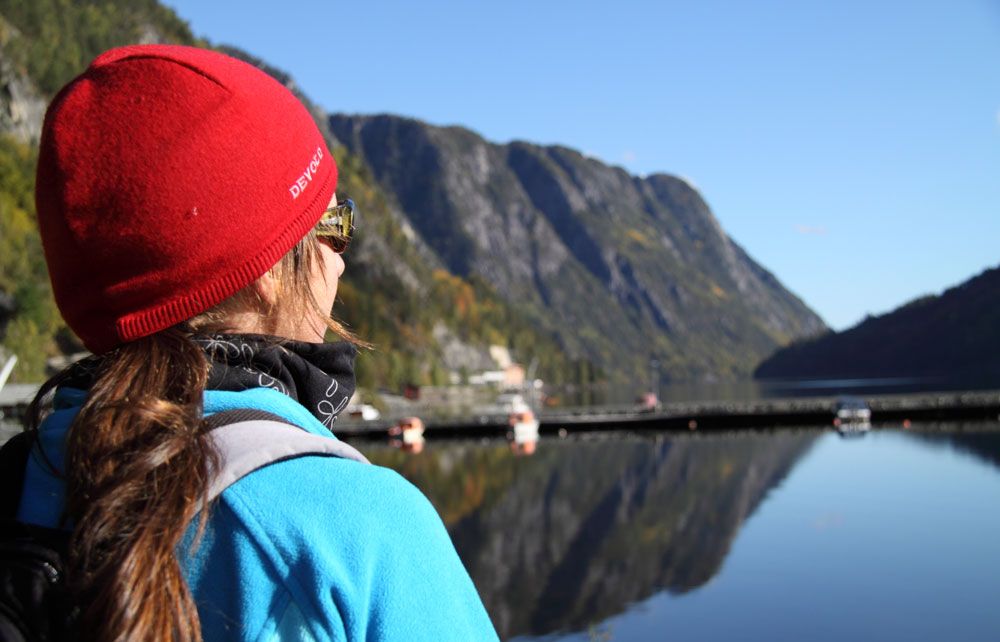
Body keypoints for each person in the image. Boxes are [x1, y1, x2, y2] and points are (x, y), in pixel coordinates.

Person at [17, 44, 499, 641]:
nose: (340, 261)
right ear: (268, 267)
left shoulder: (23, 479)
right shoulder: (360, 527)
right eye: (334, 226)